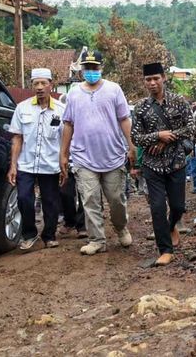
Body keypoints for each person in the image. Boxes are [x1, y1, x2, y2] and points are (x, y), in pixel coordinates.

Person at [59, 50, 136, 255]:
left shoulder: (114, 89)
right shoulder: (74, 93)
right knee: (90, 200)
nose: (91, 71)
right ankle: (97, 240)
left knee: (116, 199)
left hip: (112, 155)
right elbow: (68, 124)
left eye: (95, 67)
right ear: (82, 69)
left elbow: (124, 119)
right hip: (84, 157)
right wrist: (63, 154)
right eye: (87, 68)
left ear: (101, 68)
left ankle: (121, 228)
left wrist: (131, 146)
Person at [131, 63, 195, 266]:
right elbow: (136, 137)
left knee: (178, 206)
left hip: (176, 162)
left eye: (156, 78)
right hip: (152, 165)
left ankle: (171, 226)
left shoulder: (179, 101)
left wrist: (167, 138)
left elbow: (191, 127)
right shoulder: (141, 107)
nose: (152, 83)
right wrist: (157, 135)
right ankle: (165, 249)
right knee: (157, 207)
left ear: (163, 78)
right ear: (144, 82)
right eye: (148, 80)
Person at [8, 68, 65, 250]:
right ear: (31, 85)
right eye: (36, 83)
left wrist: (65, 163)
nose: (40, 87)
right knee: (24, 198)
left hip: (50, 164)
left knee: (50, 202)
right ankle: (29, 234)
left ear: (51, 85)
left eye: (43, 83)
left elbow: (66, 140)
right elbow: (17, 138)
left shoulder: (62, 110)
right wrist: (13, 165)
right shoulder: (22, 108)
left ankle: (49, 235)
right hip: (26, 163)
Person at [57, 90, 87, 239]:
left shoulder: (86, 116)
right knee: (65, 192)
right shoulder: (62, 117)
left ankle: (82, 225)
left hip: (84, 160)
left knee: (84, 193)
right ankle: (69, 221)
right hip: (67, 161)